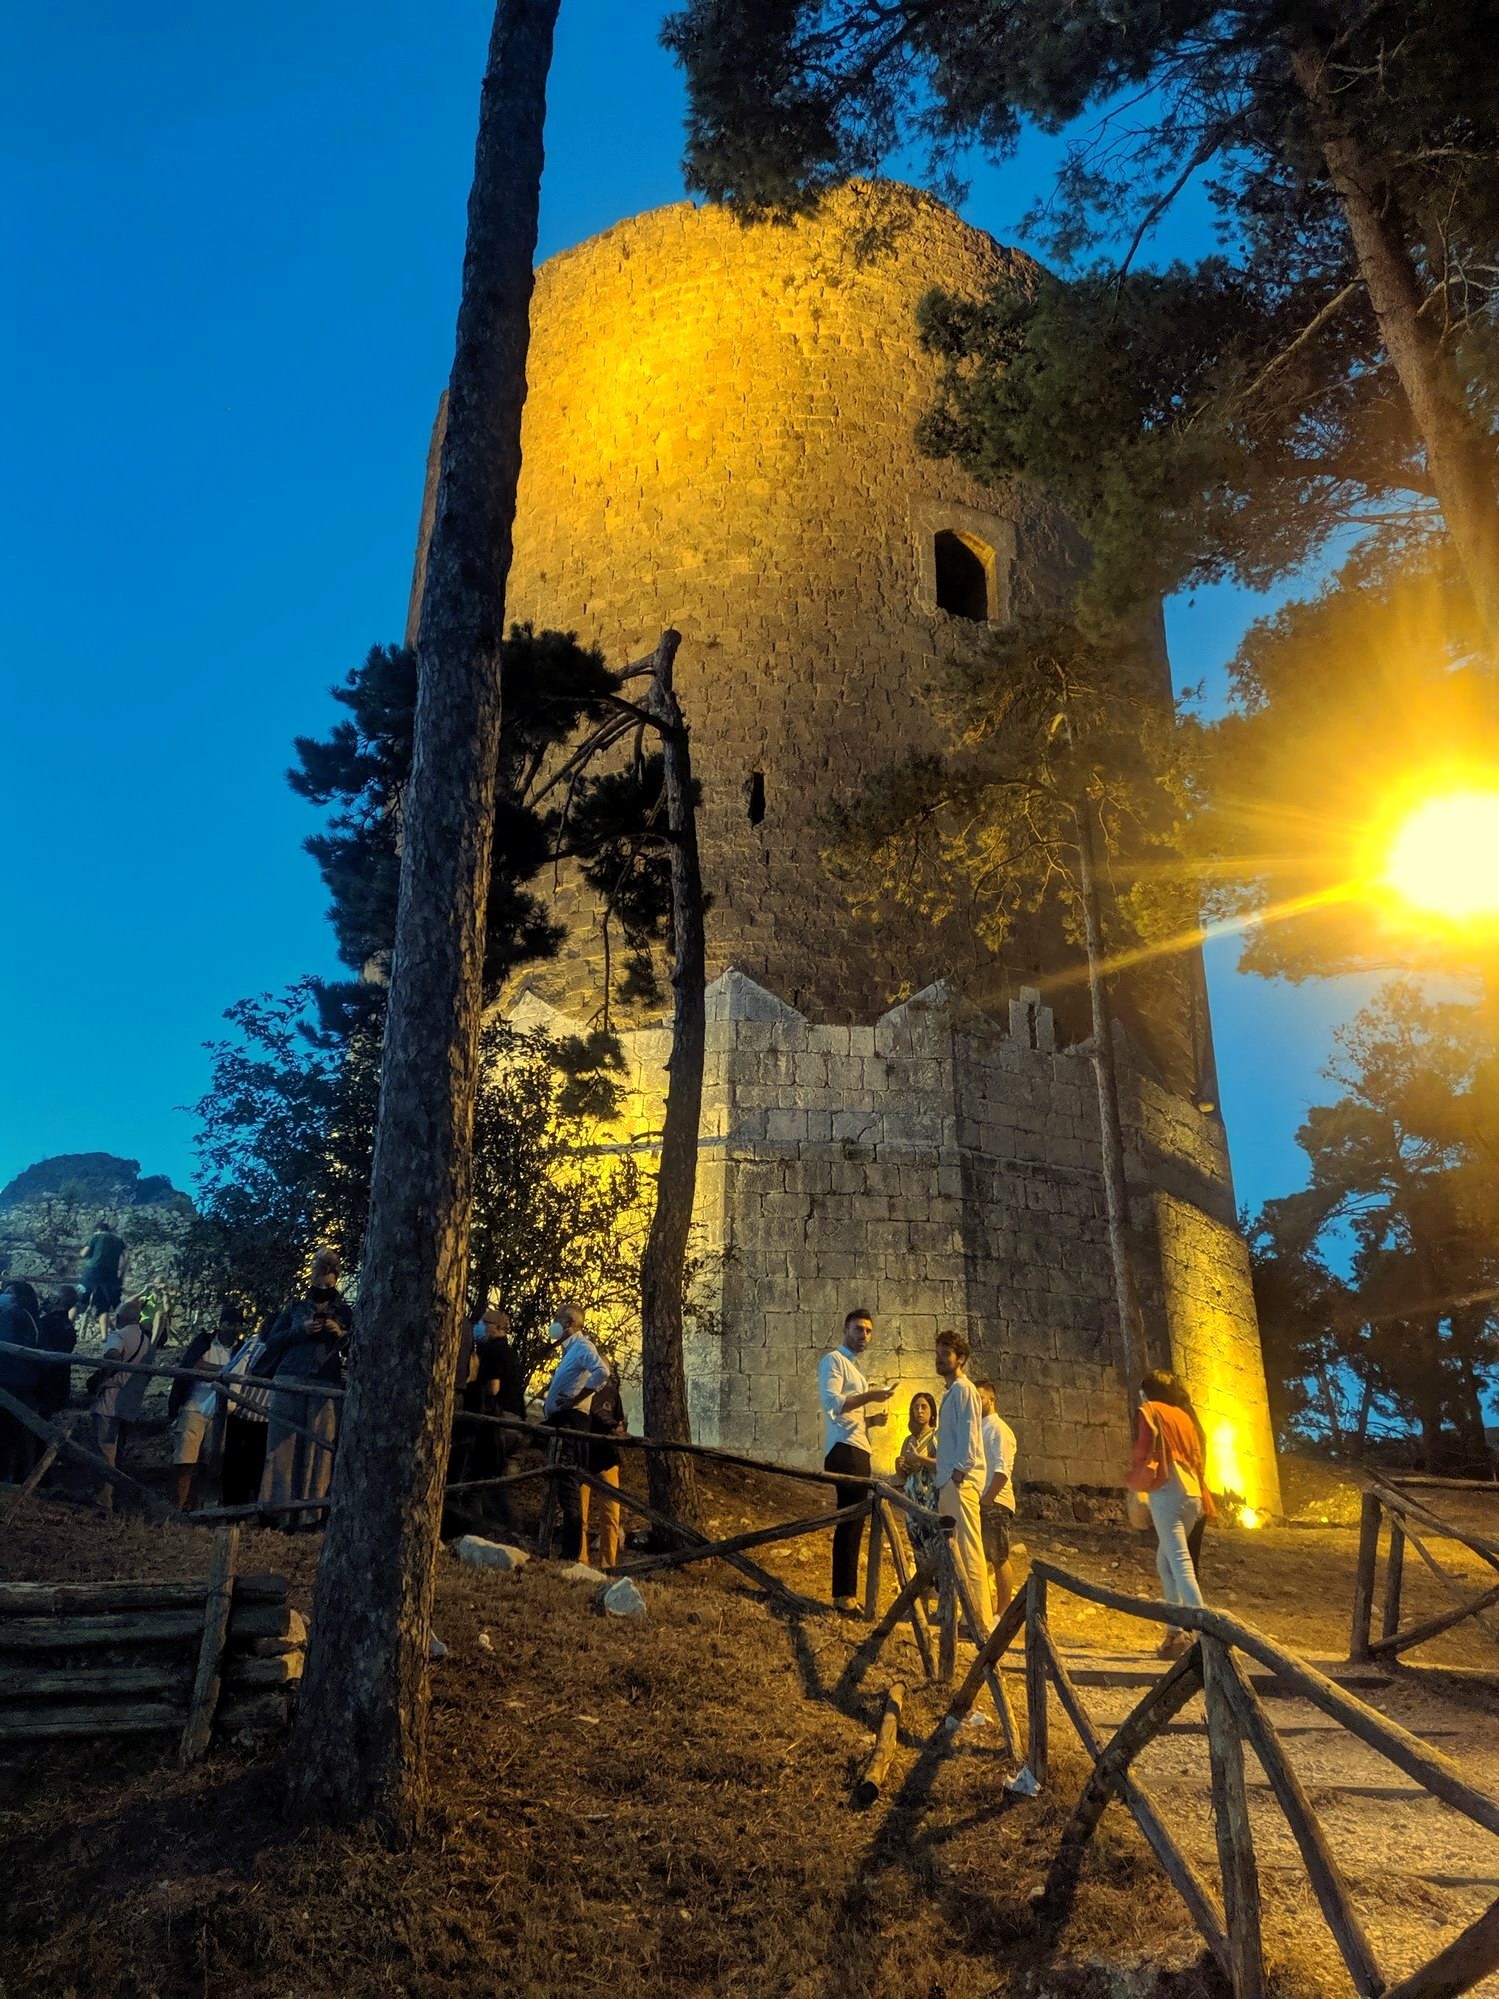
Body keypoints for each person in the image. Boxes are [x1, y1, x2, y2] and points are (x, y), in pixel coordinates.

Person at [1126, 1368, 1216, 1658]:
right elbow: (1198, 1454)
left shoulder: (1149, 1410)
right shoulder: (1184, 1415)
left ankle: (1205, 1635)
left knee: (1179, 1563)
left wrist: (1136, 1471)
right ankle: (1175, 1633)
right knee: (1166, 1562)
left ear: (1147, 1391)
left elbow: (1143, 1448)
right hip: (1191, 1492)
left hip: (1167, 1490)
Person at [259, 1251, 353, 1525]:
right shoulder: (294, 1308)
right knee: (281, 1446)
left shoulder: (346, 1312)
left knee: (319, 1449)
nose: (321, 1286)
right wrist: (300, 1330)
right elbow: (272, 1341)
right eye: (317, 1279)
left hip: (326, 1381)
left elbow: (356, 1347)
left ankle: (310, 1516)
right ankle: (276, 1512)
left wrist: (342, 1335)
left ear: (335, 1279)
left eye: (327, 1280)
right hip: (290, 1376)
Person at [816, 1308, 895, 1615]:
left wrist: (872, 1419)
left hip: (858, 1447)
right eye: (859, 1329)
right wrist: (870, 1396)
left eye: (869, 1331)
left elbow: (851, 1416)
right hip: (844, 1450)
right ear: (846, 1330)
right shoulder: (834, 1361)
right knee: (849, 1522)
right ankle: (843, 1596)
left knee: (855, 1522)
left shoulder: (855, 1370)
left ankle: (846, 1593)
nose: (864, 1336)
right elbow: (833, 1403)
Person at [934, 1329, 993, 1632]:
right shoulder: (952, 1391)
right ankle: (963, 1615)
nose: (940, 1357)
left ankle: (979, 1620)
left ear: (961, 1359)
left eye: (947, 1353)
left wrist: (959, 1472)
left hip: (960, 1480)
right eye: (939, 1351)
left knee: (969, 1549)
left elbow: (971, 1434)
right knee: (956, 1548)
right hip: (949, 1480)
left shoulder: (964, 1390)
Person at [540, 1304, 608, 1560]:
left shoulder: (582, 1347)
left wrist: (575, 1399)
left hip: (571, 1421)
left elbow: (602, 1371)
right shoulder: (570, 1350)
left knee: (567, 1482)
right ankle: (560, 1548)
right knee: (558, 1478)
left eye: (557, 1319)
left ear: (568, 1323)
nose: (553, 1324)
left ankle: (570, 1554)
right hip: (561, 1419)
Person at [169, 1308, 242, 1510]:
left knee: (210, 1462)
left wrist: (210, 1371)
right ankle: (176, 1507)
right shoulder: (204, 1342)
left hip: (222, 1413)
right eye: (230, 1323)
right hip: (195, 1407)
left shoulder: (241, 1349)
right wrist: (223, 1372)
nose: (233, 1328)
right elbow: (194, 1365)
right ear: (221, 1323)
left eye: (237, 1324)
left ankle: (197, 1505)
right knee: (185, 1459)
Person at [88, 1296, 153, 1508]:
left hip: (111, 1399)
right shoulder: (148, 1343)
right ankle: (119, 1496)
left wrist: (102, 1377)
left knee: (105, 1450)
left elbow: (112, 1356)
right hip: (131, 1402)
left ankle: (104, 1498)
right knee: (120, 1451)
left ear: (118, 1318)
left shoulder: (117, 1336)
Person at [977, 1379, 1019, 1619]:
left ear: (991, 1400)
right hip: (982, 1500)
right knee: (982, 1559)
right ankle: (984, 1612)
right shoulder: (981, 1427)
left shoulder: (998, 1429)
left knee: (998, 1556)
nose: (976, 1403)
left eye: (980, 1398)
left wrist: (989, 1498)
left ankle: (1003, 1613)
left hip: (995, 1502)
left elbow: (1003, 1469)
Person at [582, 1361, 627, 1569]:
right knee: (580, 1513)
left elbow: (619, 1422)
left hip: (607, 1459)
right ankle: (580, 1560)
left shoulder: (611, 1393)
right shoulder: (581, 1391)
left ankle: (608, 1565)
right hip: (583, 1456)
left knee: (611, 1514)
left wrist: (617, 1428)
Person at [0, 1280, 44, 1483]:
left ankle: (9, 1479)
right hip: (25, 1381)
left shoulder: (11, 1315)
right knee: (20, 1433)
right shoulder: (29, 1315)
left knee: (9, 1434)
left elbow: (5, 1344)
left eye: (9, 1293)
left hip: (10, 1381)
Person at [35, 1286, 80, 1429]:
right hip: (60, 1383)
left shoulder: (46, 1323)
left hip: (44, 1384)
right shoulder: (68, 1326)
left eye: (50, 1296)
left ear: (55, 1299)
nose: (46, 1300)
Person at [77, 1218, 128, 1334]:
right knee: (103, 1306)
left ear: (98, 1230)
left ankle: (67, 1326)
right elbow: (126, 1256)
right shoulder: (119, 1241)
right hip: (110, 1275)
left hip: (92, 1272)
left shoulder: (96, 1237)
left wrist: (82, 1252)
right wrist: (122, 1271)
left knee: (78, 1299)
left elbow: (84, 1253)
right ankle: (105, 1337)